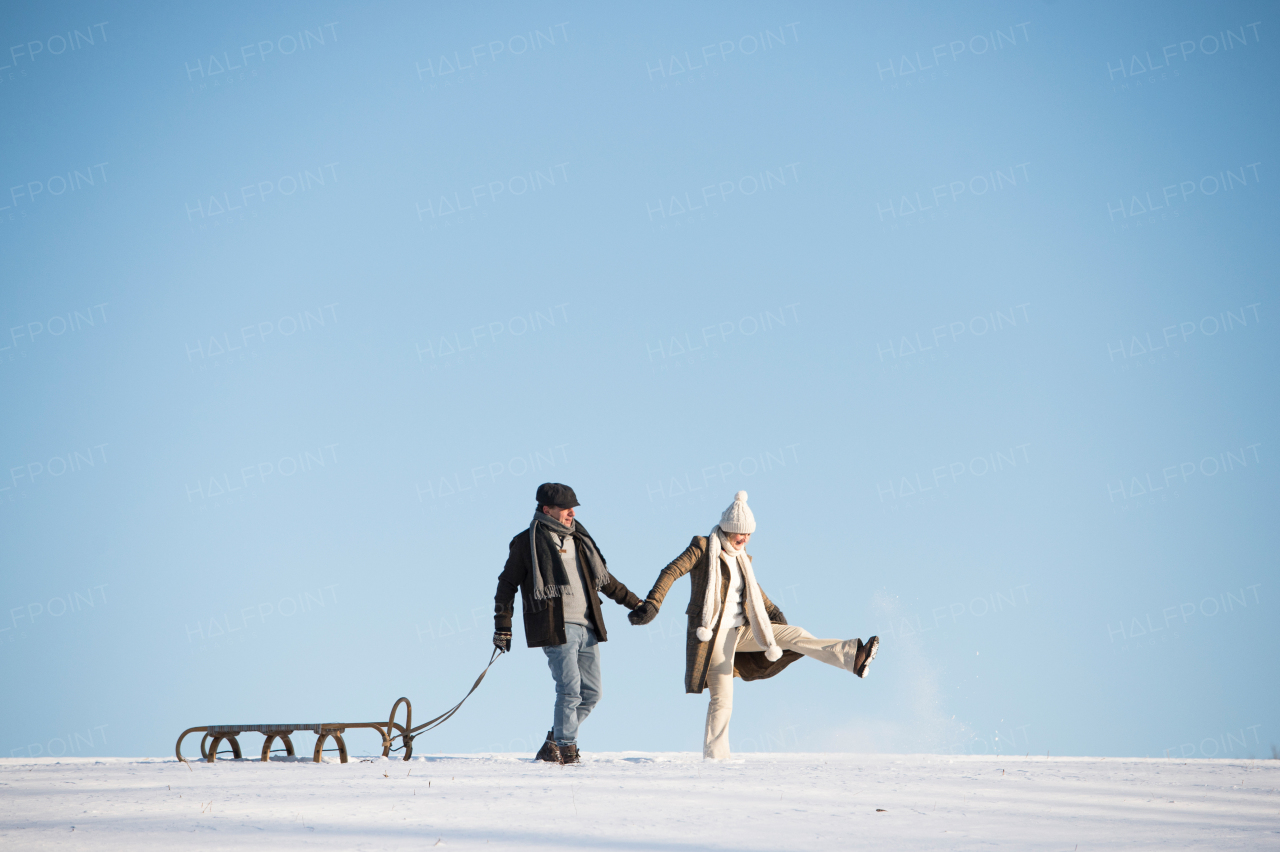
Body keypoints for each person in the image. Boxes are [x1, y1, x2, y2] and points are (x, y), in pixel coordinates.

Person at [629, 491, 878, 760]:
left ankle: (853, 657)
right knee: (722, 700)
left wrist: (775, 617)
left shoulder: (742, 558)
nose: (745, 538)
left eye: (749, 534)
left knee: (795, 634)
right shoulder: (703, 547)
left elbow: (756, 594)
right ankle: (716, 760)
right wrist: (653, 603)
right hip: (713, 635)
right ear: (729, 528)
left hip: (743, 631)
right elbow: (672, 571)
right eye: (741, 533)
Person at [493, 482, 643, 764]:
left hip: (588, 628)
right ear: (547, 510)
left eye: (573, 508)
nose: (571, 513)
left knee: (592, 693)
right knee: (570, 689)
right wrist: (503, 625)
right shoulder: (527, 543)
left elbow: (605, 581)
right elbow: (507, 584)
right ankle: (566, 749)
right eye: (565, 508)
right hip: (555, 627)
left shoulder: (581, 541)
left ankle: (554, 741)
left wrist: (635, 603)